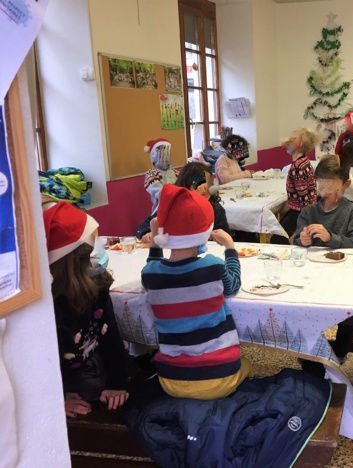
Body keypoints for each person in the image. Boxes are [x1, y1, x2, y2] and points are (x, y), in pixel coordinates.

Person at [141, 184, 251, 399]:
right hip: (218, 378)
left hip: (171, 380)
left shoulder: (152, 274)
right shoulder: (212, 265)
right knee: (247, 364)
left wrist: (156, 241)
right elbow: (233, 285)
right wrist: (230, 248)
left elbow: (151, 267)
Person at [44, 202, 129, 417]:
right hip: (64, 377)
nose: (99, 252)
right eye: (94, 246)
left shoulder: (97, 284)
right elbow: (46, 360)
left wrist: (117, 382)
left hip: (91, 362)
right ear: (74, 262)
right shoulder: (51, 308)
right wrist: (57, 397)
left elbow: (110, 334)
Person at [294, 155, 353, 367]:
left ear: (345, 185)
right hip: (310, 276)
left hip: (344, 276)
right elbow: (297, 239)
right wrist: (302, 239)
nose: (327, 190)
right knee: (302, 307)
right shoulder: (309, 212)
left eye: (332, 184)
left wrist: (330, 238)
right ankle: (312, 350)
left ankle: (341, 349)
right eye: (322, 183)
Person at [136, 162, 231, 243]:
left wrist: (219, 237)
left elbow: (226, 237)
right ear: (185, 187)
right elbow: (143, 226)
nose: (204, 190)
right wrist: (148, 233)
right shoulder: (172, 205)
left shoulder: (215, 209)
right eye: (197, 185)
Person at [271, 128, 318, 244]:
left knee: (278, 238)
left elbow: (303, 194)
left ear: (299, 144)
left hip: (301, 211)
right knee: (280, 234)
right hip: (302, 209)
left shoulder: (298, 167)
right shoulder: (304, 162)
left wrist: (306, 218)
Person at [143, 139, 179, 215]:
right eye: (164, 153)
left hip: (178, 211)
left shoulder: (175, 172)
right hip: (161, 213)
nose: (167, 157)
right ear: (154, 154)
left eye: (168, 153)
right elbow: (162, 194)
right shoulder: (151, 174)